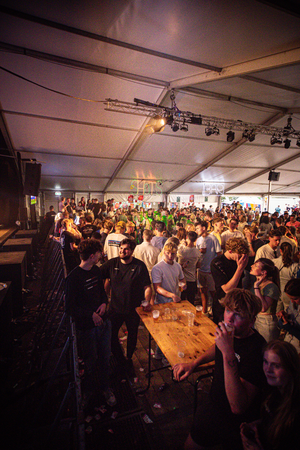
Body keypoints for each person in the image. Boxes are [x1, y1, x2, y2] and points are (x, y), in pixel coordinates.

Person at [173, 289, 265, 450]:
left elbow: (238, 406)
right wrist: (194, 363)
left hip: (237, 422)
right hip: (214, 407)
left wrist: (228, 352)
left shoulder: (258, 350)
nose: (229, 318)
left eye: (238, 314)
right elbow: (217, 347)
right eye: (228, 310)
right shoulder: (231, 335)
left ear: (251, 321)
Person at [65, 239, 116, 408]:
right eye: (99, 253)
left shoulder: (96, 270)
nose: (102, 255)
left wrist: (103, 303)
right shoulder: (73, 278)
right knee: (90, 361)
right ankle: (88, 391)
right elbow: (69, 308)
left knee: (105, 357)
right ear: (93, 256)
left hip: (103, 323)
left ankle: (105, 388)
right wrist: (90, 315)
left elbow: (101, 292)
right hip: (87, 328)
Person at [100, 238, 151, 374]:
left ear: (132, 251)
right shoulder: (112, 263)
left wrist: (146, 301)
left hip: (133, 310)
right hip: (115, 308)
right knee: (110, 334)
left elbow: (147, 286)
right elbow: (97, 275)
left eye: (126, 249)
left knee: (132, 336)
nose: (122, 251)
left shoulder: (139, 266)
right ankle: (119, 357)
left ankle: (128, 359)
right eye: (121, 249)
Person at [240, 340, 300, 450]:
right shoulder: (273, 388)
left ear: (291, 368)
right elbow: (273, 416)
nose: (267, 369)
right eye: (265, 362)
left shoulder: (295, 409)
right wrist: (257, 424)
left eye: (276, 365)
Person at [211, 238, 249, 324]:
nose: (241, 258)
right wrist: (240, 269)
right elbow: (227, 289)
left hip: (237, 303)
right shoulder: (217, 263)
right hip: (223, 304)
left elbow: (240, 282)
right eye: (239, 255)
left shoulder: (238, 260)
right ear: (230, 251)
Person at [247, 258, 280, 342]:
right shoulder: (258, 283)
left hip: (266, 322)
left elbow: (263, 308)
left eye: (255, 266)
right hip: (256, 319)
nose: (252, 266)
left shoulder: (271, 287)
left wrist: (256, 287)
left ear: (264, 272)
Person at [196, 221, 222, 315]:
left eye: (198, 228)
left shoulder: (213, 238)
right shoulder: (198, 240)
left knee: (213, 293)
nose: (197, 230)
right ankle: (204, 311)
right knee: (203, 291)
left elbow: (219, 253)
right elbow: (196, 254)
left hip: (210, 271)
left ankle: (216, 312)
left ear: (203, 228)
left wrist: (214, 268)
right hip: (201, 269)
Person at [177, 231, 201, 305]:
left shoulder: (181, 251)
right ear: (195, 240)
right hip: (192, 279)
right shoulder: (197, 252)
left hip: (182, 279)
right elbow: (198, 266)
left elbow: (177, 265)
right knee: (191, 301)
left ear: (187, 238)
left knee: (181, 300)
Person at [274, 242, 299, 311]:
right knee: (288, 310)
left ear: (280, 250)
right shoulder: (295, 266)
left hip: (276, 289)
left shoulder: (274, 262)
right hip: (288, 291)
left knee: (277, 310)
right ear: (291, 251)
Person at [277, 279, 300, 353]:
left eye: (295, 299)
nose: (292, 301)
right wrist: (286, 316)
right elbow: (291, 314)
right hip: (290, 343)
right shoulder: (293, 303)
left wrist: (289, 327)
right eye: (290, 299)